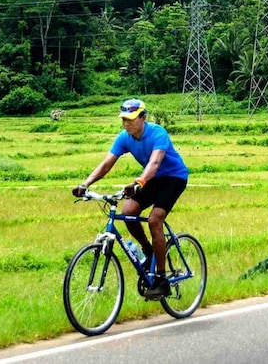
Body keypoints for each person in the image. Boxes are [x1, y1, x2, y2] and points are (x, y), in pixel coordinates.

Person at [72, 98, 189, 299]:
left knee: (154, 220)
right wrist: (85, 184)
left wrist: (140, 182)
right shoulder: (124, 137)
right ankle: (148, 250)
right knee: (127, 212)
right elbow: (106, 164)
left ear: (143, 117)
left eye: (131, 119)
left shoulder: (157, 133)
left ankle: (161, 278)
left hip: (173, 178)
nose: (127, 123)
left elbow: (155, 162)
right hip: (150, 180)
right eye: (124, 119)